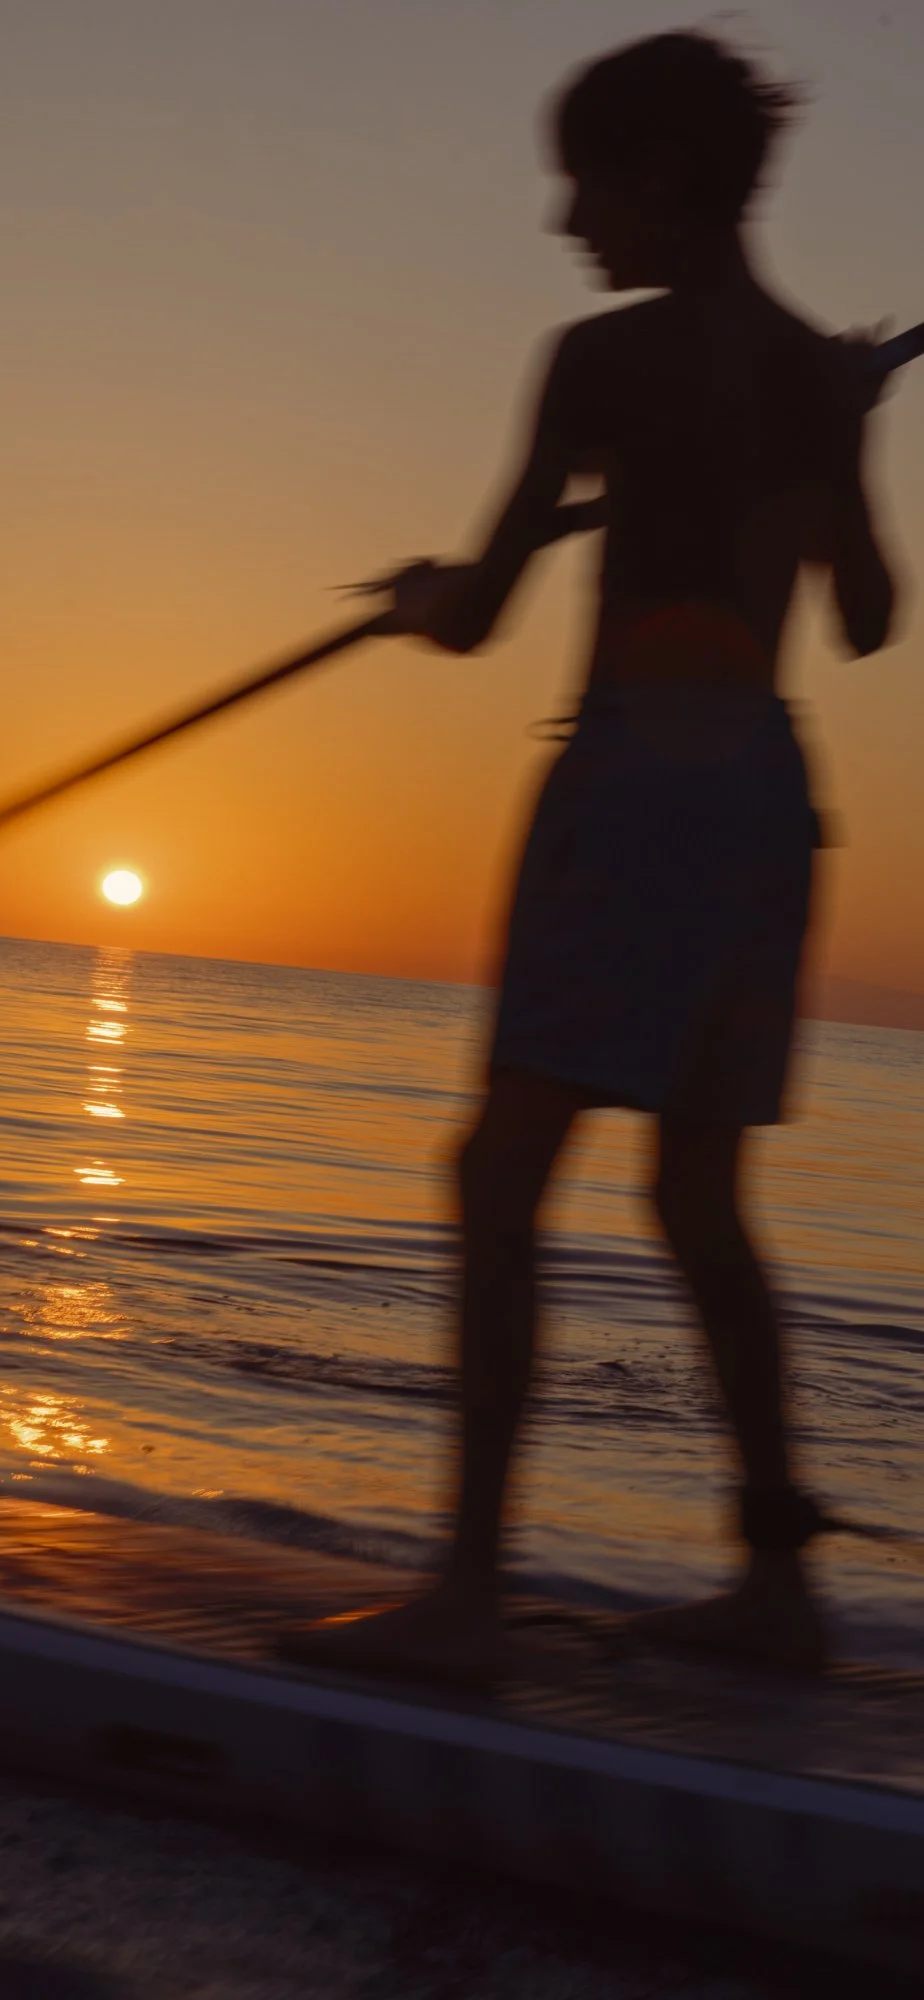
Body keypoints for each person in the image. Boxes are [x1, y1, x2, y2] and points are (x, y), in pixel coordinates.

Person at [285, 30, 901, 1686]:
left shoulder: (592, 362)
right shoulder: (801, 376)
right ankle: (780, 1586)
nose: (567, 214)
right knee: (699, 1194)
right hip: (768, 794)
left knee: (499, 1175)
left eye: (588, 176)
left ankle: (468, 1593)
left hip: (631, 784)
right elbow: (868, 617)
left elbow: (477, 618)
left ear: (667, 176)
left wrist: (415, 597)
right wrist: (843, 440)